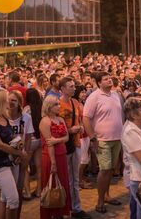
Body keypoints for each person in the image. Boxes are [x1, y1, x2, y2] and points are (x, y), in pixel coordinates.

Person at [83, 71, 124, 213]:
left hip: (116, 138)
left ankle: (106, 195)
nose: (109, 80)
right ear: (99, 83)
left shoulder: (115, 95)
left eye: (110, 78)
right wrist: (92, 137)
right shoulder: (94, 97)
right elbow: (86, 118)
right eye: (105, 79)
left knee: (111, 169)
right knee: (104, 169)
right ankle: (100, 201)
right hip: (102, 139)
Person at [0, 90, 26, 219]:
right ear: (0, 101)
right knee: (13, 201)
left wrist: (19, 145)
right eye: (7, 99)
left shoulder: (3, 116)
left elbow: (10, 136)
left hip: (10, 161)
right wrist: (19, 152)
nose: (8, 101)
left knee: (5, 197)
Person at [58, 77, 90, 219]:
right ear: (63, 89)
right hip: (63, 144)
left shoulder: (75, 102)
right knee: (66, 178)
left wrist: (81, 127)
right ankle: (66, 208)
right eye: (70, 86)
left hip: (76, 142)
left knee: (75, 178)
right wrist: (69, 130)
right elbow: (54, 125)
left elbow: (78, 120)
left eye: (73, 86)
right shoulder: (57, 104)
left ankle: (76, 207)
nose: (74, 88)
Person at [39, 96, 72, 219]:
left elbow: (67, 138)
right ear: (49, 107)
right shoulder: (45, 121)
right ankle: (50, 214)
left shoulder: (61, 119)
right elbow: (49, 144)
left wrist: (56, 140)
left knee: (62, 184)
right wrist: (53, 163)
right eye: (56, 104)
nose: (59, 106)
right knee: (50, 185)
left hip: (62, 155)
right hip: (50, 157)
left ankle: (59, 213)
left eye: (59, 104)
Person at [7, 90, 34, 217]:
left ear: (19, 103)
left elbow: (28, 138)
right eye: (9, 99)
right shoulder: (3, 117)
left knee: (18, 189)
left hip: (20, 156)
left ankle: (17, 215)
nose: (10, 102)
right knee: (7, 192)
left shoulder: (26, 118)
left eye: (14, 100)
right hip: (6, 157)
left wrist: (26, 156)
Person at [23, 88, 43, 199]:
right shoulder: (42, 108)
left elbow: (24, 126)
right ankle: (39, 190)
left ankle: (27, 192)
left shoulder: (26, 109)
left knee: (25, 167)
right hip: (40, 139)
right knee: (39, 167)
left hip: (30, 140)